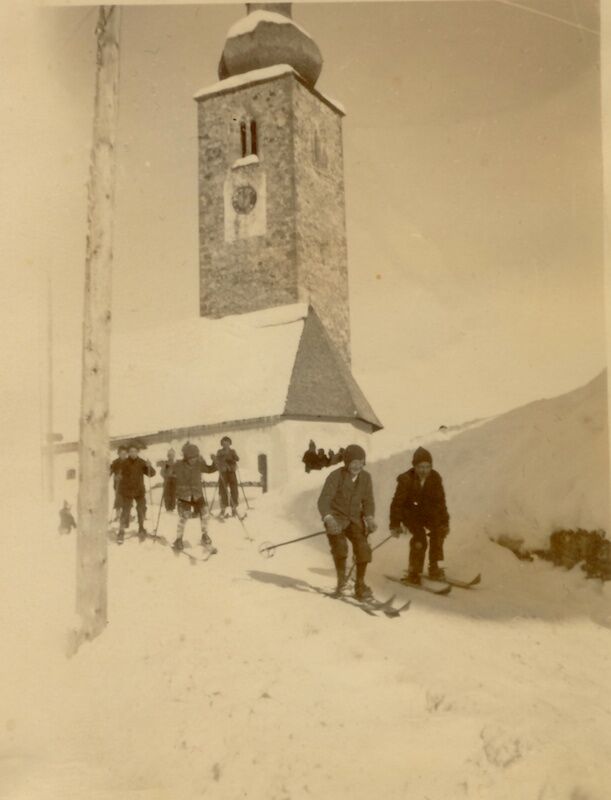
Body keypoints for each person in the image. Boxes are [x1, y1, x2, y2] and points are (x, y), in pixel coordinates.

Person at [317, 443, 378, 601]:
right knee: (340, 547)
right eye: (353, 462)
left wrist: (369, 517)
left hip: (354, 520)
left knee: (363, 548)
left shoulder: (366, 477)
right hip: (336, 519)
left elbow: (368, 501)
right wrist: (328, 519)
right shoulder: (335, 476)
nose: (357, 465)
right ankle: (341, 582)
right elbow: (323, 500)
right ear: (347, 462)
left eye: (361, 462)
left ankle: (360, 584)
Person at [389, 446, 450, 584]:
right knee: (420, 538)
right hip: (410, 514)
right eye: (421, 467)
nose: (424, 470)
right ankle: (414, 572)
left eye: (427, 467)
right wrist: (395, 524)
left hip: (427, 513)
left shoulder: (435, 478)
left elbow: (441, 502)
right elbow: (397, 503)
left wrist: (444, 522)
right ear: (414, 466)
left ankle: (434, 567)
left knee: (438, 531)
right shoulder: (406, 479)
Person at [172, 442, 217, 553]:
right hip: (184, 495)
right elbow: (167, 472)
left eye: (195, 457)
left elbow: (210, 469)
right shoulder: (179, 465)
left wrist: (215, 460)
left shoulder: (199, 464)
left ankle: (204, 535)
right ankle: (178, 539)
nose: (193, 460)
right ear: (186, 457)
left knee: (205, 513)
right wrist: (168, 463)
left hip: (197, 494)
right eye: (191, 458)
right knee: (184, 516)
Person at [116, 441, 156, 542]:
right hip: (127, 491)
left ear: (137, 452)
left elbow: (152, 474)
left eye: (135, 451)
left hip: (139, 491)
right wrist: (119, 477)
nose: (133, 453)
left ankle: (141, 528)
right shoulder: (124, 463)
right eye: (131, 451)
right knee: (125, 511)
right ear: (128, 453)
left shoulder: (142, 462)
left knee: (141, 509)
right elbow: (119, 475)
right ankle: (121, 532)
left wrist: (149, 466)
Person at [215, 436, 240, 517]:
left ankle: (234, 508)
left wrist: (233, 459)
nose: (226, 444)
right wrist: (220, 460)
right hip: (223, 473)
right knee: (222, 490)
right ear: (222, 444)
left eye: (227, 442)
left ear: (230, 443)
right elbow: (217, 461)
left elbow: (237, 459)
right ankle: (223, 508)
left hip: (231, 472)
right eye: (224, 442)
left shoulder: (232, 451)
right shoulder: (219, 451)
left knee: (234, 489)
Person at [109, 445, 128, 518]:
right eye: (122, 454)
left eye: (125, 454)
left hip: (127, 485)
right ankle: (118, 515)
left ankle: (127, 515)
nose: (124, 455)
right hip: (118, 485)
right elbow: (110, 472)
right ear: (119, 454)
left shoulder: (129, 462)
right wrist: (115, 477)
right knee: (118, 500)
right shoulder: (115, 462)